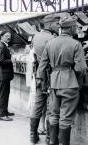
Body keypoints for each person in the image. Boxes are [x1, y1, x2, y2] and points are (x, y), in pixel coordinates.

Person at [37, 16, 87, 145]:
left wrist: (44, 85)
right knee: (65, 119)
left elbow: (41, 68)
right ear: (70, 28)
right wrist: (79, 82)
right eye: (75, 27)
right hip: (70, 83)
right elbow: (81, 69)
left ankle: (52, 142)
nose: (76, 29)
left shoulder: (50, 43)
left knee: (54, 116)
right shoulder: (76, 44)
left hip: (53, 84)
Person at [30, 15, 60, 144]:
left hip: (39, 75)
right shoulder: (53, 39)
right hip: (50, 76)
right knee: (51, 107)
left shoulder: (36, 36)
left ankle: (33, 135)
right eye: (56, 23)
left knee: (37, 105)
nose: (58, 25)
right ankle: (49, 138)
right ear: (49, 24)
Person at [0, 31, 15, 121]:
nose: (8, 37)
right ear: (1, 36)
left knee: (5, 94)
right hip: (3, 75)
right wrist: (12, 60)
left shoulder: (3, 45)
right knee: (3, 95)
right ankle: (2, 115)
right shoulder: (1, 46)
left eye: (9, 36)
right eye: (6, 36)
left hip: (4, 75)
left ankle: (5, 111)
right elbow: (0, 61)